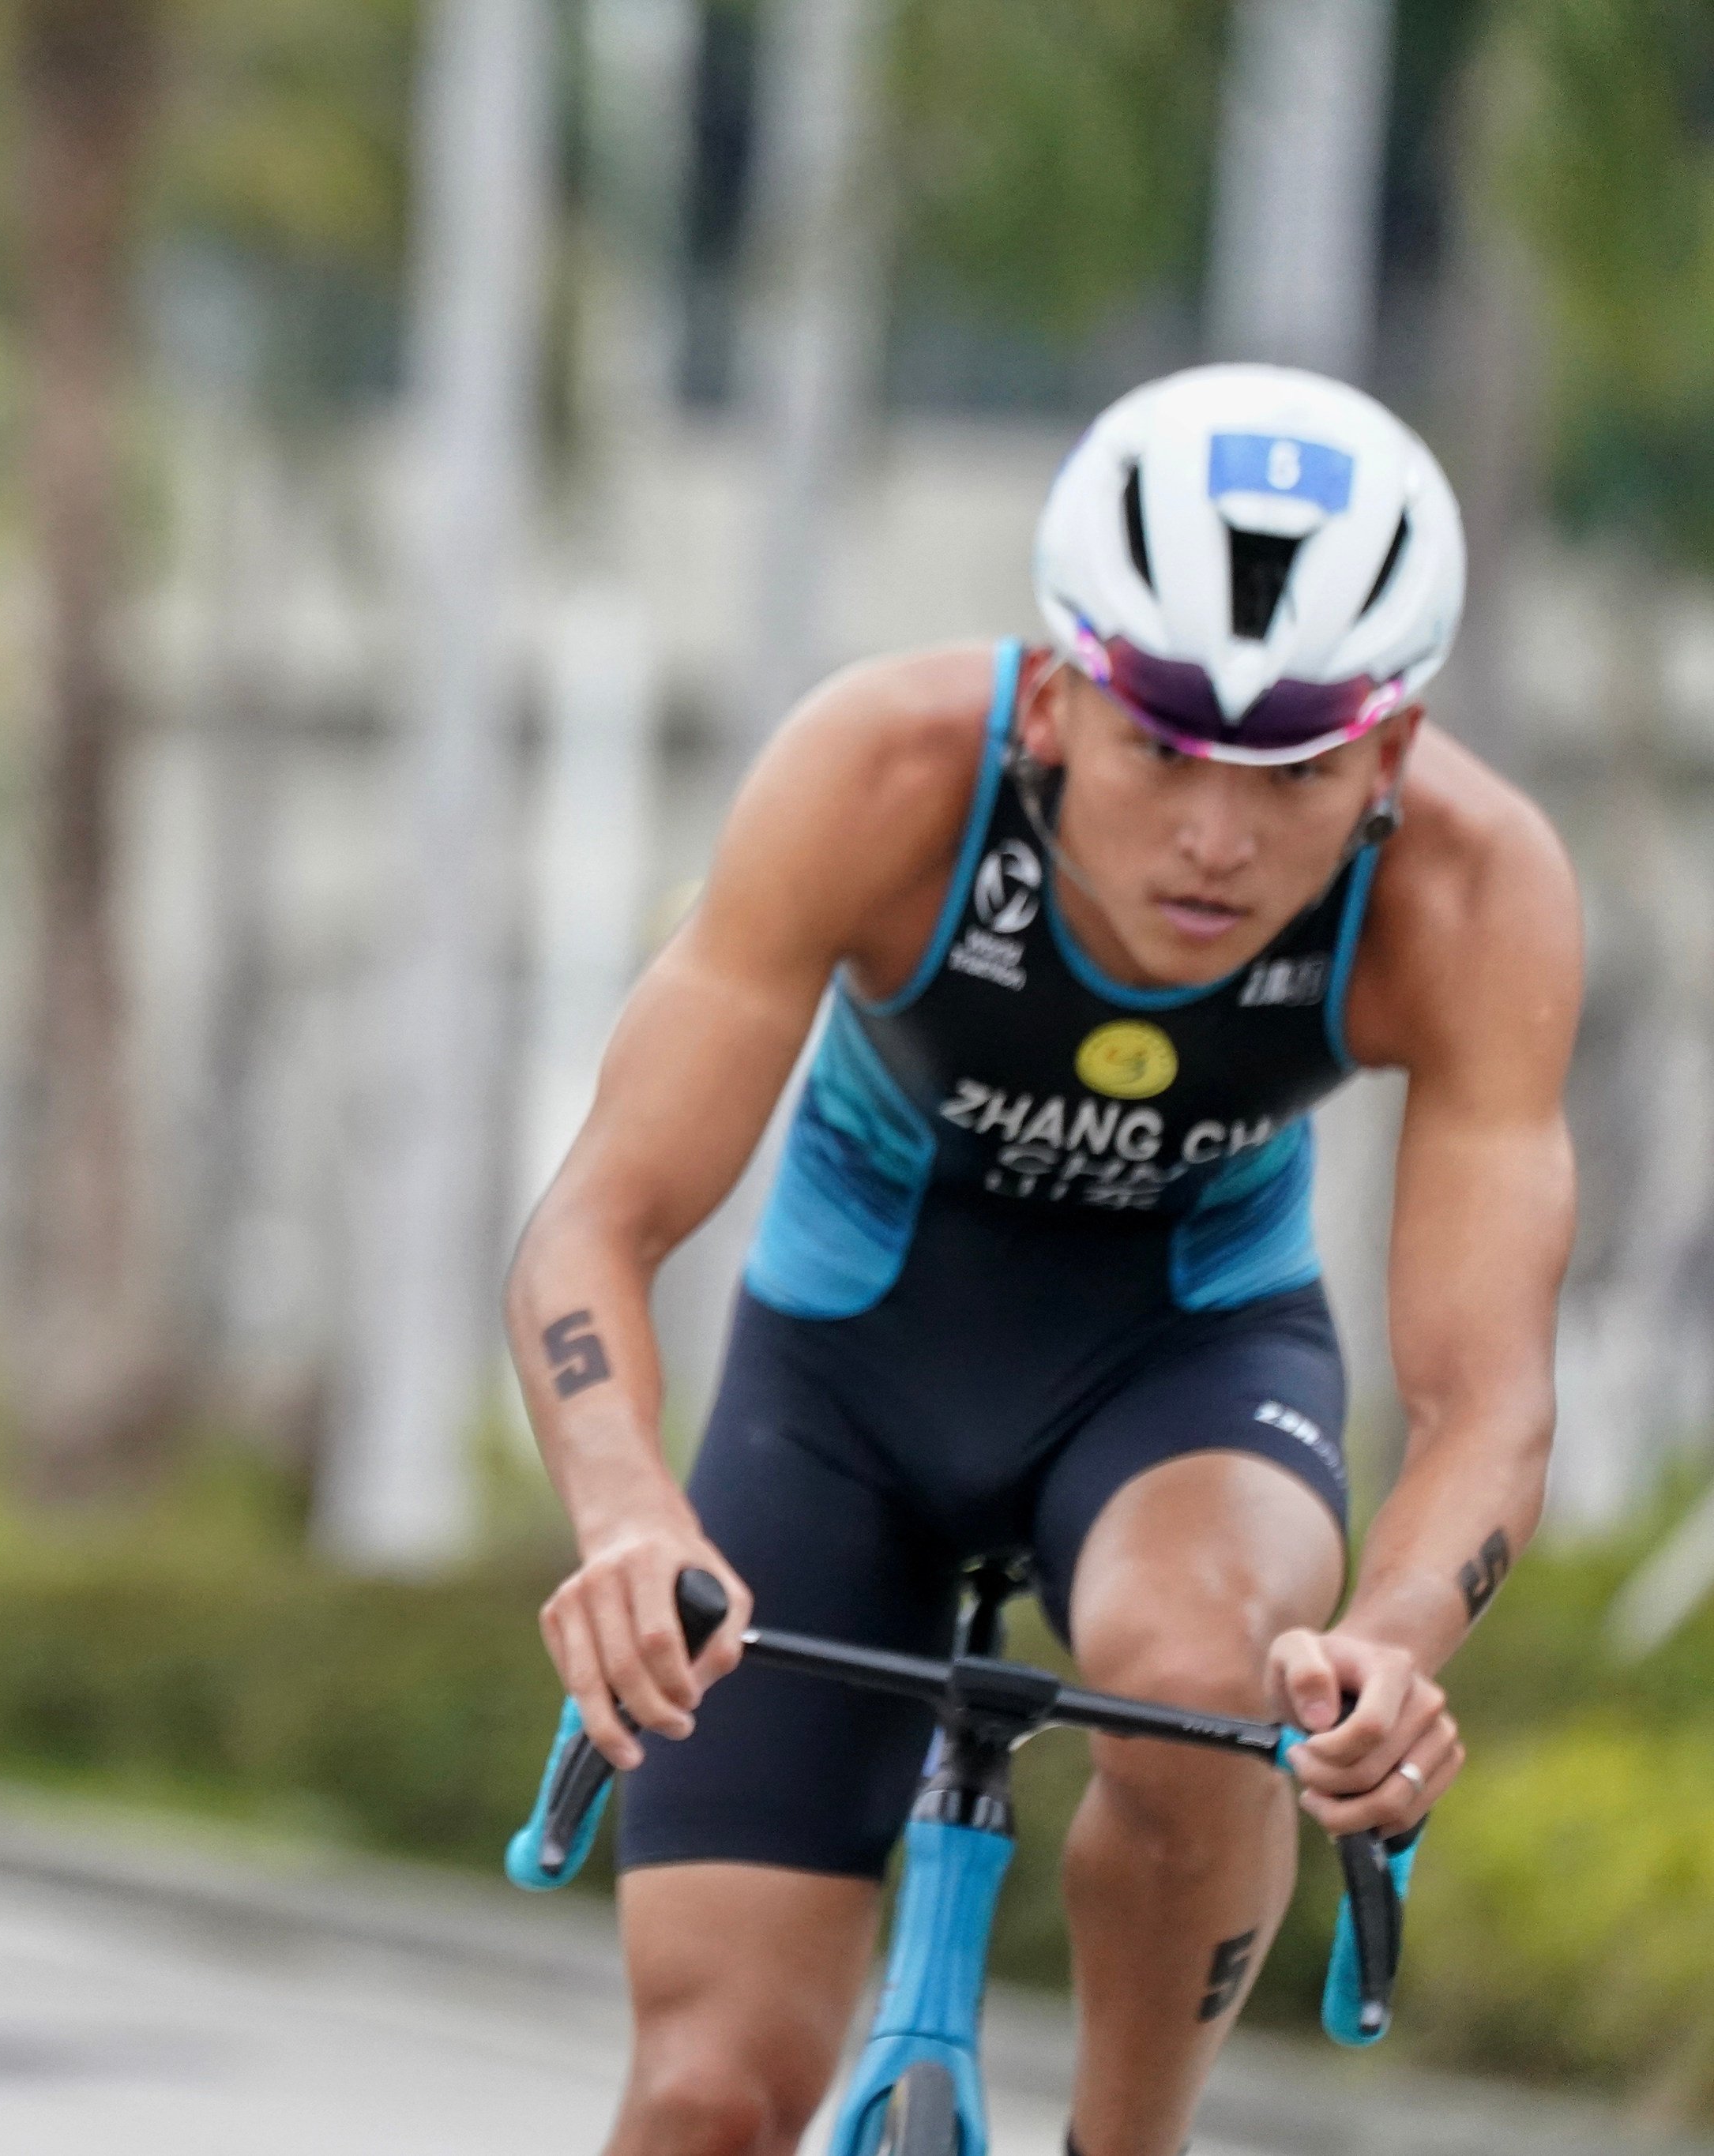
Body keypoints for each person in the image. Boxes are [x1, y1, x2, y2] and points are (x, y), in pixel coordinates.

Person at [509, 365, 1577, 2156]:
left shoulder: (1471, 891)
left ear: (1387, 755)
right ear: (1060, 702)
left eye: (1297, 771)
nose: (1216, 837)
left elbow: (1487, 1393)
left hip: (1184, 1369)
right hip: (841, 1373)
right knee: (705, 2101)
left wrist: (1386, 1650)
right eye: (1162, 745)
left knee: (1200, 1661)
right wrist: (624, 1515)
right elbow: (592, 1221)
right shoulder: (880, 774)